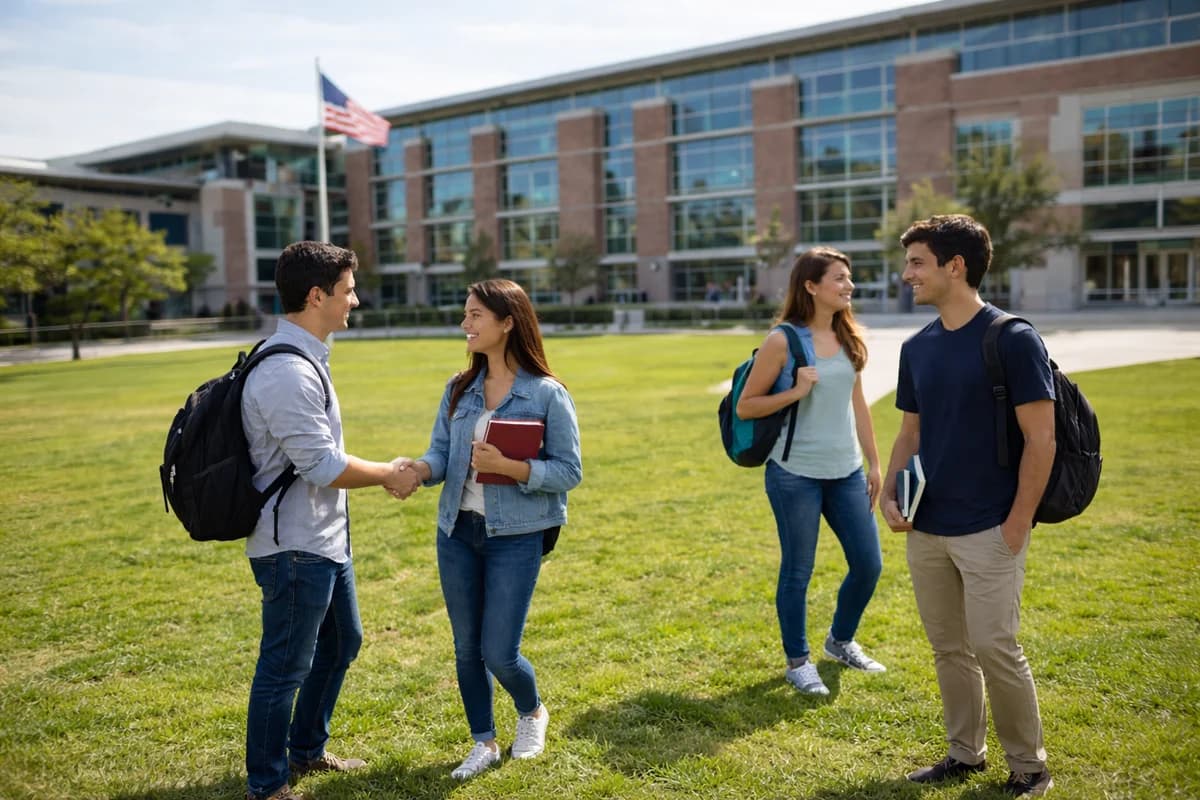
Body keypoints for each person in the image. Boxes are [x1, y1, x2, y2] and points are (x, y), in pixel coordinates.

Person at [881, 215, 1055, 797]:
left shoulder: (1013, 338)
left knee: (995, 647)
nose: (907, 274)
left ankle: (1029, 766)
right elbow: (911, 432)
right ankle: (964, 754)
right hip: (927, 526)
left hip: (990, 526)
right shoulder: (917, 347)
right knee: (949, 649)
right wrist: (890, 491)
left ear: (955, 266)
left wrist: (1017, 524)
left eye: (917, 263)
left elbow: (1042, 439)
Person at [240, 241, 420, 800]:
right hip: (293, 546)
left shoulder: (305, 357)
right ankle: (268, 785)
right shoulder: (286, 372)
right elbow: (321, 465)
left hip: (322, 541)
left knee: (342, 641)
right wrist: (390, 472)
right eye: (348, 291)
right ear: (317, 296)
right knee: (284, 667)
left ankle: (306, 750)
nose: (355, 301)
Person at [393, 279, 582, 780]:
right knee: (466, 648)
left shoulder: (547, 394)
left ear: (508, 322)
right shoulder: (459, 388)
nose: (466, 324)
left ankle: (532, 712)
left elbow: (569, 471)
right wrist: (420, 469)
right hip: (457, 531)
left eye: (475, 315)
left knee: (499, 652)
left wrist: (511, 467)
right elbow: (441, 451)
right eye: (465, 314)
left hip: (516, 536)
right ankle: (484, 742)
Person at [735, 247, 885, 697]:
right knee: (798, 571)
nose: (849, 285)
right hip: (794, 473)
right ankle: (798, 662)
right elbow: (746, 406)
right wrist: (795, 392)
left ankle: (840, 641)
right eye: (839, 278)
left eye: (849, 277)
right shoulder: (783, 340)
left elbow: (859, 404)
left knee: (868, 564)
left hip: (846, 471)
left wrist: (874, 463)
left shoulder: (849, 336)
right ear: (811, 286)